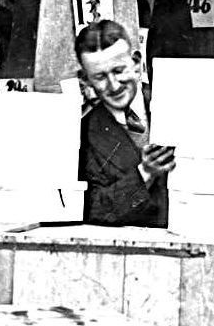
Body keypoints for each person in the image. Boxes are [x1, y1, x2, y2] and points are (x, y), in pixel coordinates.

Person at [75, 20, 175, 226]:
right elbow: (92, 209)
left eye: (119, 70)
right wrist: (145, 173)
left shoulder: (180, 107)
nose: (113, 86)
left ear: (137, 64)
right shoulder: (82, 135)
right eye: (100, 77)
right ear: (86, 80)